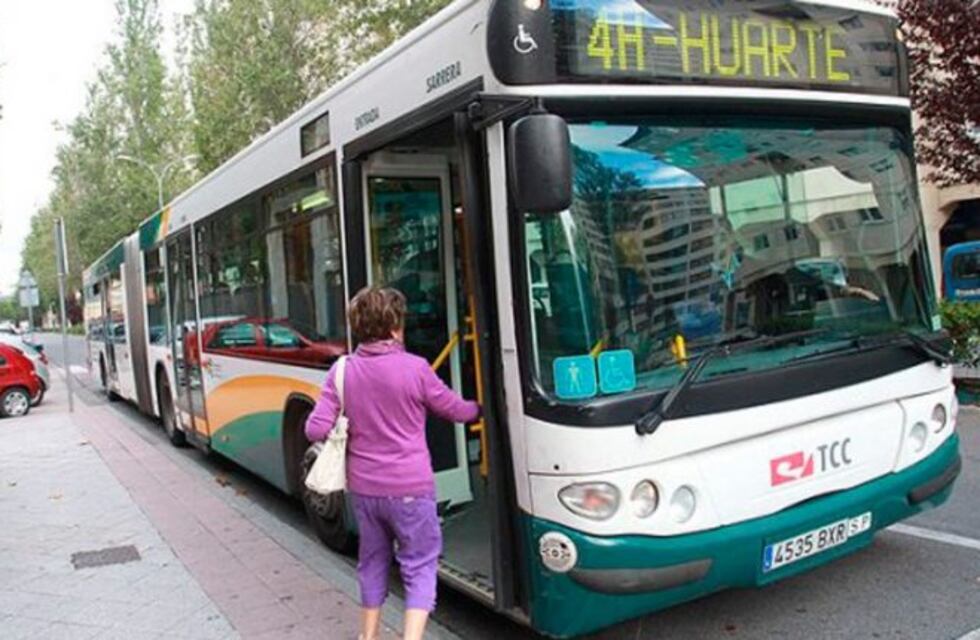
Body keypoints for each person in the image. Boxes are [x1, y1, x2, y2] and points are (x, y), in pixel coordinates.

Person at [305, 286, 480, 640]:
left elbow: (314, 429)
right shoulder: (416, 369)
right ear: (395, 326)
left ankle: (368, 637)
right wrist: (482, 407)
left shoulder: (342, 370)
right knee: (419, 564)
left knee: (372, 563)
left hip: (366, 491)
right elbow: (455, 411)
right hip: (411, 490)